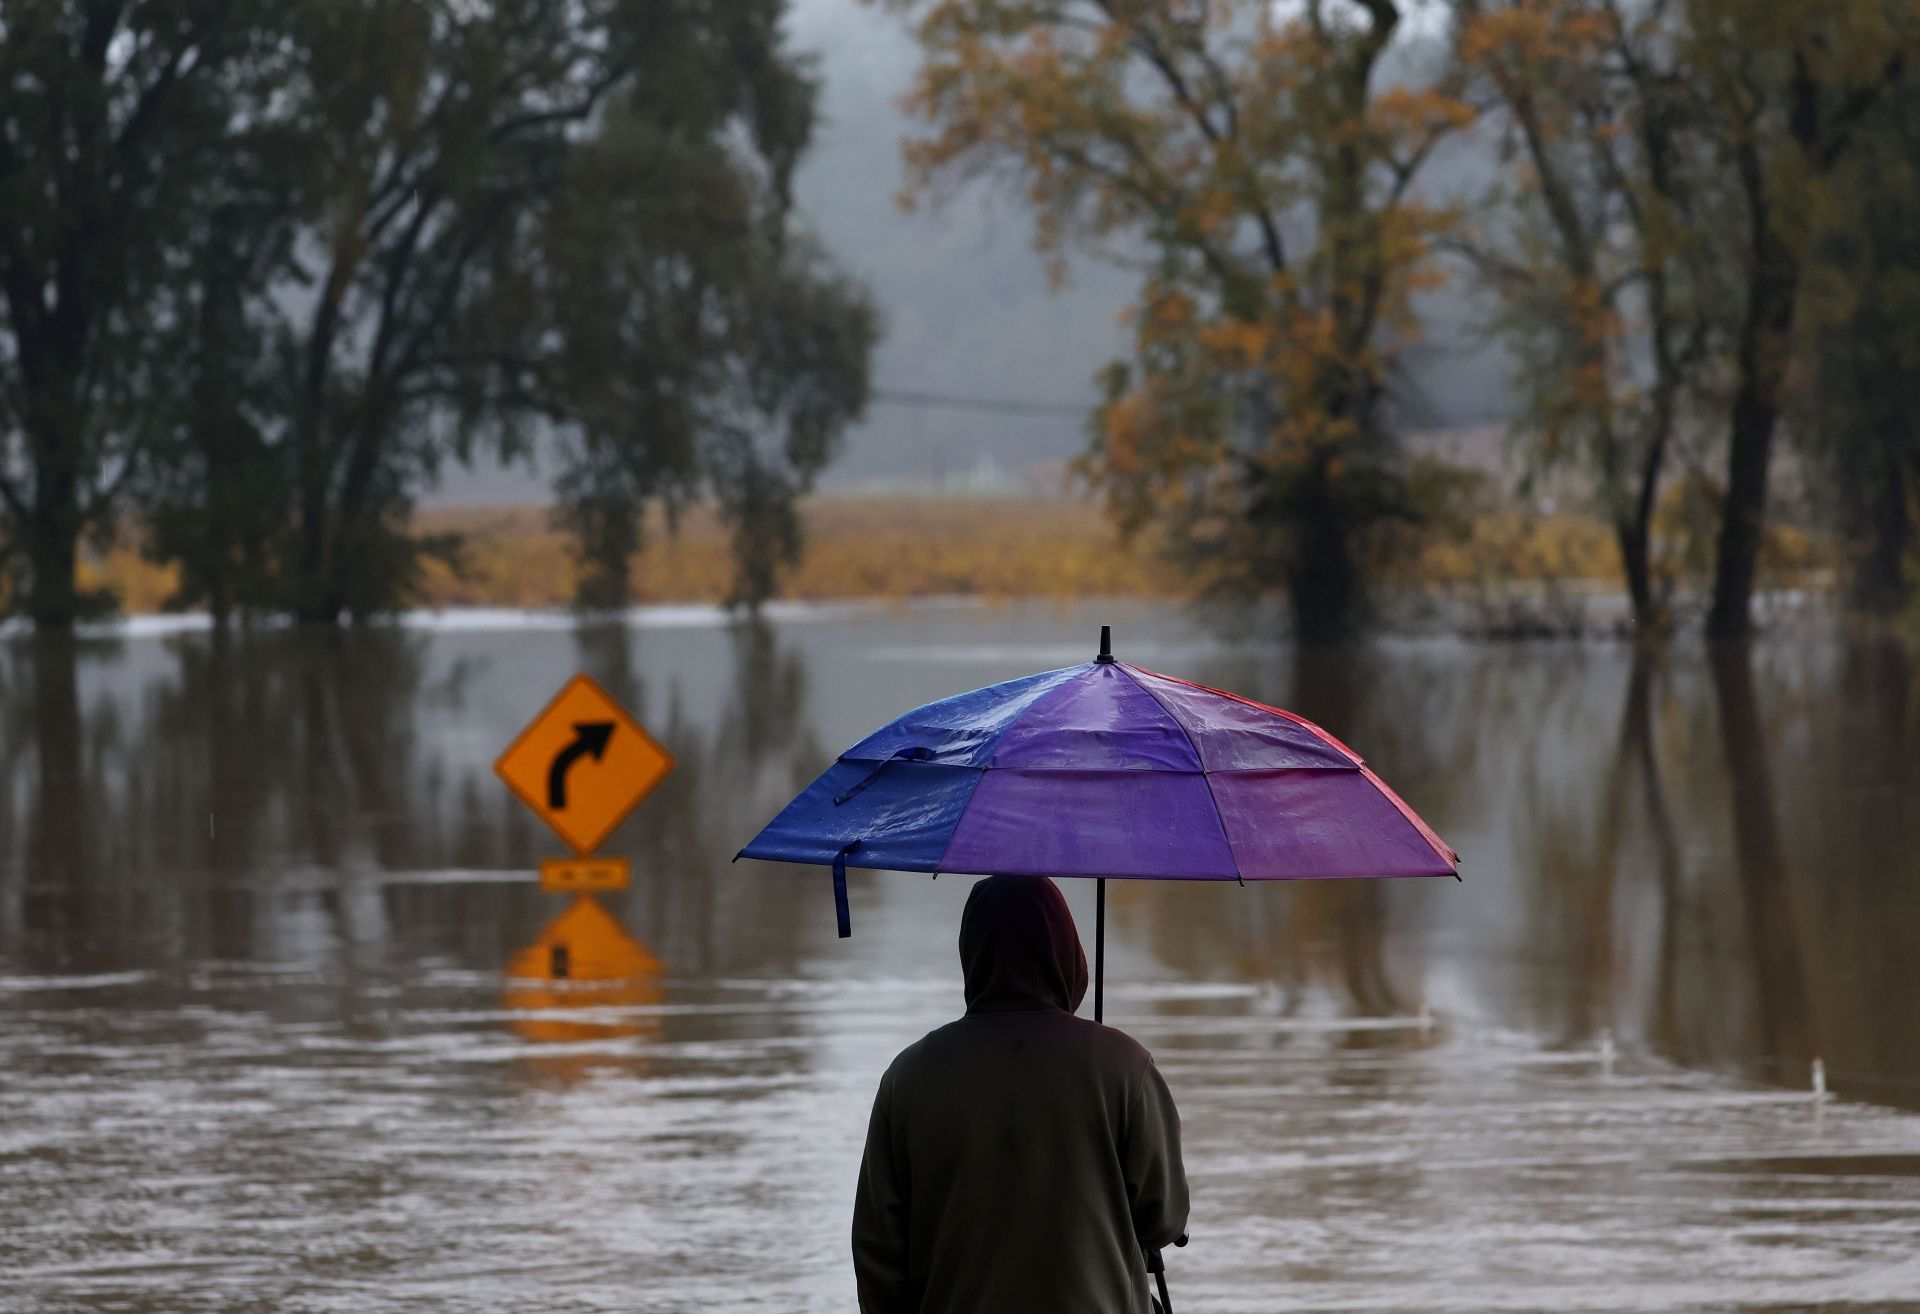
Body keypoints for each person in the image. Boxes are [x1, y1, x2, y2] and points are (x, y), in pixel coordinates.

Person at [852, 874, 1189, 1314]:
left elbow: (878, 1254)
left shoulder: (909, 1077)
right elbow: (1163, 1218)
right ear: (1067, 952)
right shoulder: (1124, 1065)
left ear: (971, 953)